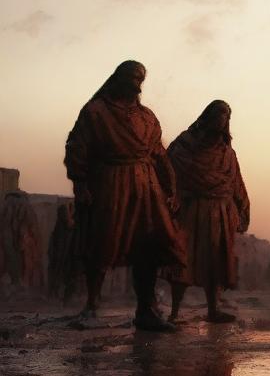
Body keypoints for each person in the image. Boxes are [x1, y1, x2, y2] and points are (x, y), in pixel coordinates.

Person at [64, 60, 185, 330]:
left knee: (149, 246)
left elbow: (159, 154)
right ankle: (91, 307)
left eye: (140, 78)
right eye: (131, 77)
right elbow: (77, 147)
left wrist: (171, 187)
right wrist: (81, 184)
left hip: (147, 188)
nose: (135, 83)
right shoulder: (96, 111)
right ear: (117, 78)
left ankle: (146, 309)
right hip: (110, 183)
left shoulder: (147, 117)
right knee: (102, 243)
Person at [165, 101, 250, 323]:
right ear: (207, 116)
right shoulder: (184, 145)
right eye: (218, 114)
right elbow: (166, 171)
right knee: (182, 260)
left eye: (226, 116)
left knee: (216, 262)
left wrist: (243, 210)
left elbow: (236, 183)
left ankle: (213, 310)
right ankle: (174, 312)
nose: (221, 119)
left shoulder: (227, 152)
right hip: (190, 209)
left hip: (220, 212)